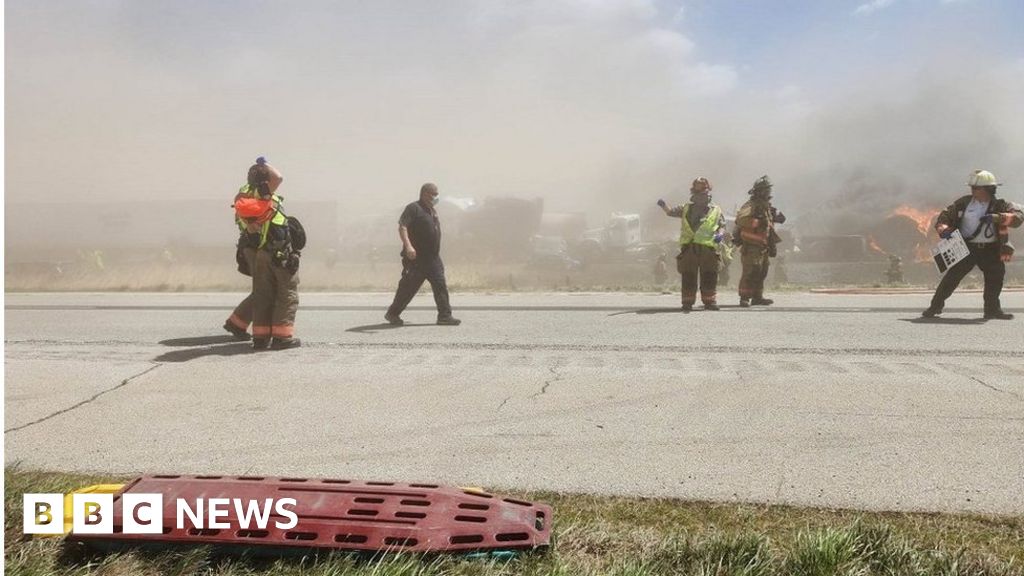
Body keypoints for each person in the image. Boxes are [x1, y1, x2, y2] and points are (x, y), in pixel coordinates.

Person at [922, 169, 1023, 320]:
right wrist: (943, 229)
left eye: (976, 188)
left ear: (989, 189)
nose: (973, 190)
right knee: (951, 278)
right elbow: (945, 215)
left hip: (990, 249)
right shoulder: (963, 203)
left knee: (995, 279)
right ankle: (934, 307)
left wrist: (997, 217)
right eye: (972, 188)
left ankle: (992, 310)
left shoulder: (1000, 205)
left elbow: (1018, 218)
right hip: (967, 248)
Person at [233, 160, 301, 350]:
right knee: (287, 294)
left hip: (262, 252)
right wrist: (264, 163)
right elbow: (278, 177)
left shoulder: (245, 196)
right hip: (278, 253)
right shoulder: (264, 195)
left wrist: (257, 170)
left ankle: (260, 338)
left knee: (263, 295)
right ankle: (282, 338)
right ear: (266, 181)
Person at [224, 157, 283, 340]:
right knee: (265, 290)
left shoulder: (245, 192)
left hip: (252, 245)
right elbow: (278, 177)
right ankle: (240, 325)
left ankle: (237, 323)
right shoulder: (259, 192)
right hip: (258, 246)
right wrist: (264, 164)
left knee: (264, 289)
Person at [385, 183, 461, 325]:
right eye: (434, 194)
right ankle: (392, 313)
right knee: (408, 288)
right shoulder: (414, 208)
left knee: (440, 286)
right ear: (425, 193)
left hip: (433, 259)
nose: (436, 197)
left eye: (437, 194)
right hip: (417, 259)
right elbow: (402, 227)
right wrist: (408, 246)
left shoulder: (432, 211)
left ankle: (444, 316)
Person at [657, 177, 726, 311]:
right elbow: (670, 212)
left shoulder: (716, 210)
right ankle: (687, 302)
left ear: (708, 192)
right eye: (698, 192)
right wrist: (663, 205)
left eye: (704, 192)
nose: (702, 195)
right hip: (689, 248)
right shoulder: (686, 208)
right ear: (693, 192)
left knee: (710, 275)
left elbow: (722, 225)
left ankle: (709, 302)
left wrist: (720, 234)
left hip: (708, 249)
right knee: (688, 275)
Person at [734, 175, 785, 307]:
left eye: (768, 189)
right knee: (750, 272)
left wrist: (772, 243)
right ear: (759, 191)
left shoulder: (765, 207)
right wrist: (757, 222)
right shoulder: (750, 205)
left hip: (763, 246)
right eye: (766, 189)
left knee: (762, 272)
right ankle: (744, 298)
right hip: (751, 246)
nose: (768, 192)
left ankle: (757, 297)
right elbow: (741, 220)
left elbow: (768, 227)